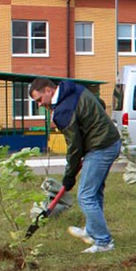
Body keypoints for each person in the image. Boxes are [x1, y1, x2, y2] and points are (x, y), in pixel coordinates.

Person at [29, 77, 121, 253]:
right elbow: (99, 103)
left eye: (39, 100)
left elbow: (74, 146)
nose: (40, 105)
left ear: (48, 90)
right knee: (94, 192)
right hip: (108, 141)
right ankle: (93, 231)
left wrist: (69, 175)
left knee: (85, 196)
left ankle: (104, 242)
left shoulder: (63, 111)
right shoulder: (74, 89)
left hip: (101, 146)